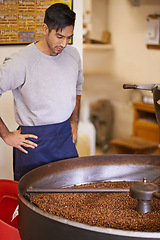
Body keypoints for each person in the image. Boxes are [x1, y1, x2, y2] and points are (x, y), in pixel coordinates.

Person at [0, 3, 84, 181]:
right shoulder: (20, 62)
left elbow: (77, 87)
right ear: (45, 29)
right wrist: (6, 135)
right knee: (32, 202)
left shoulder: (73, 55)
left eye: (69, 37)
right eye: (59, 36)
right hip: (33, 142)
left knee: (69, 195)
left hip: (64, 136)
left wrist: (74, 120)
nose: (64, 43)